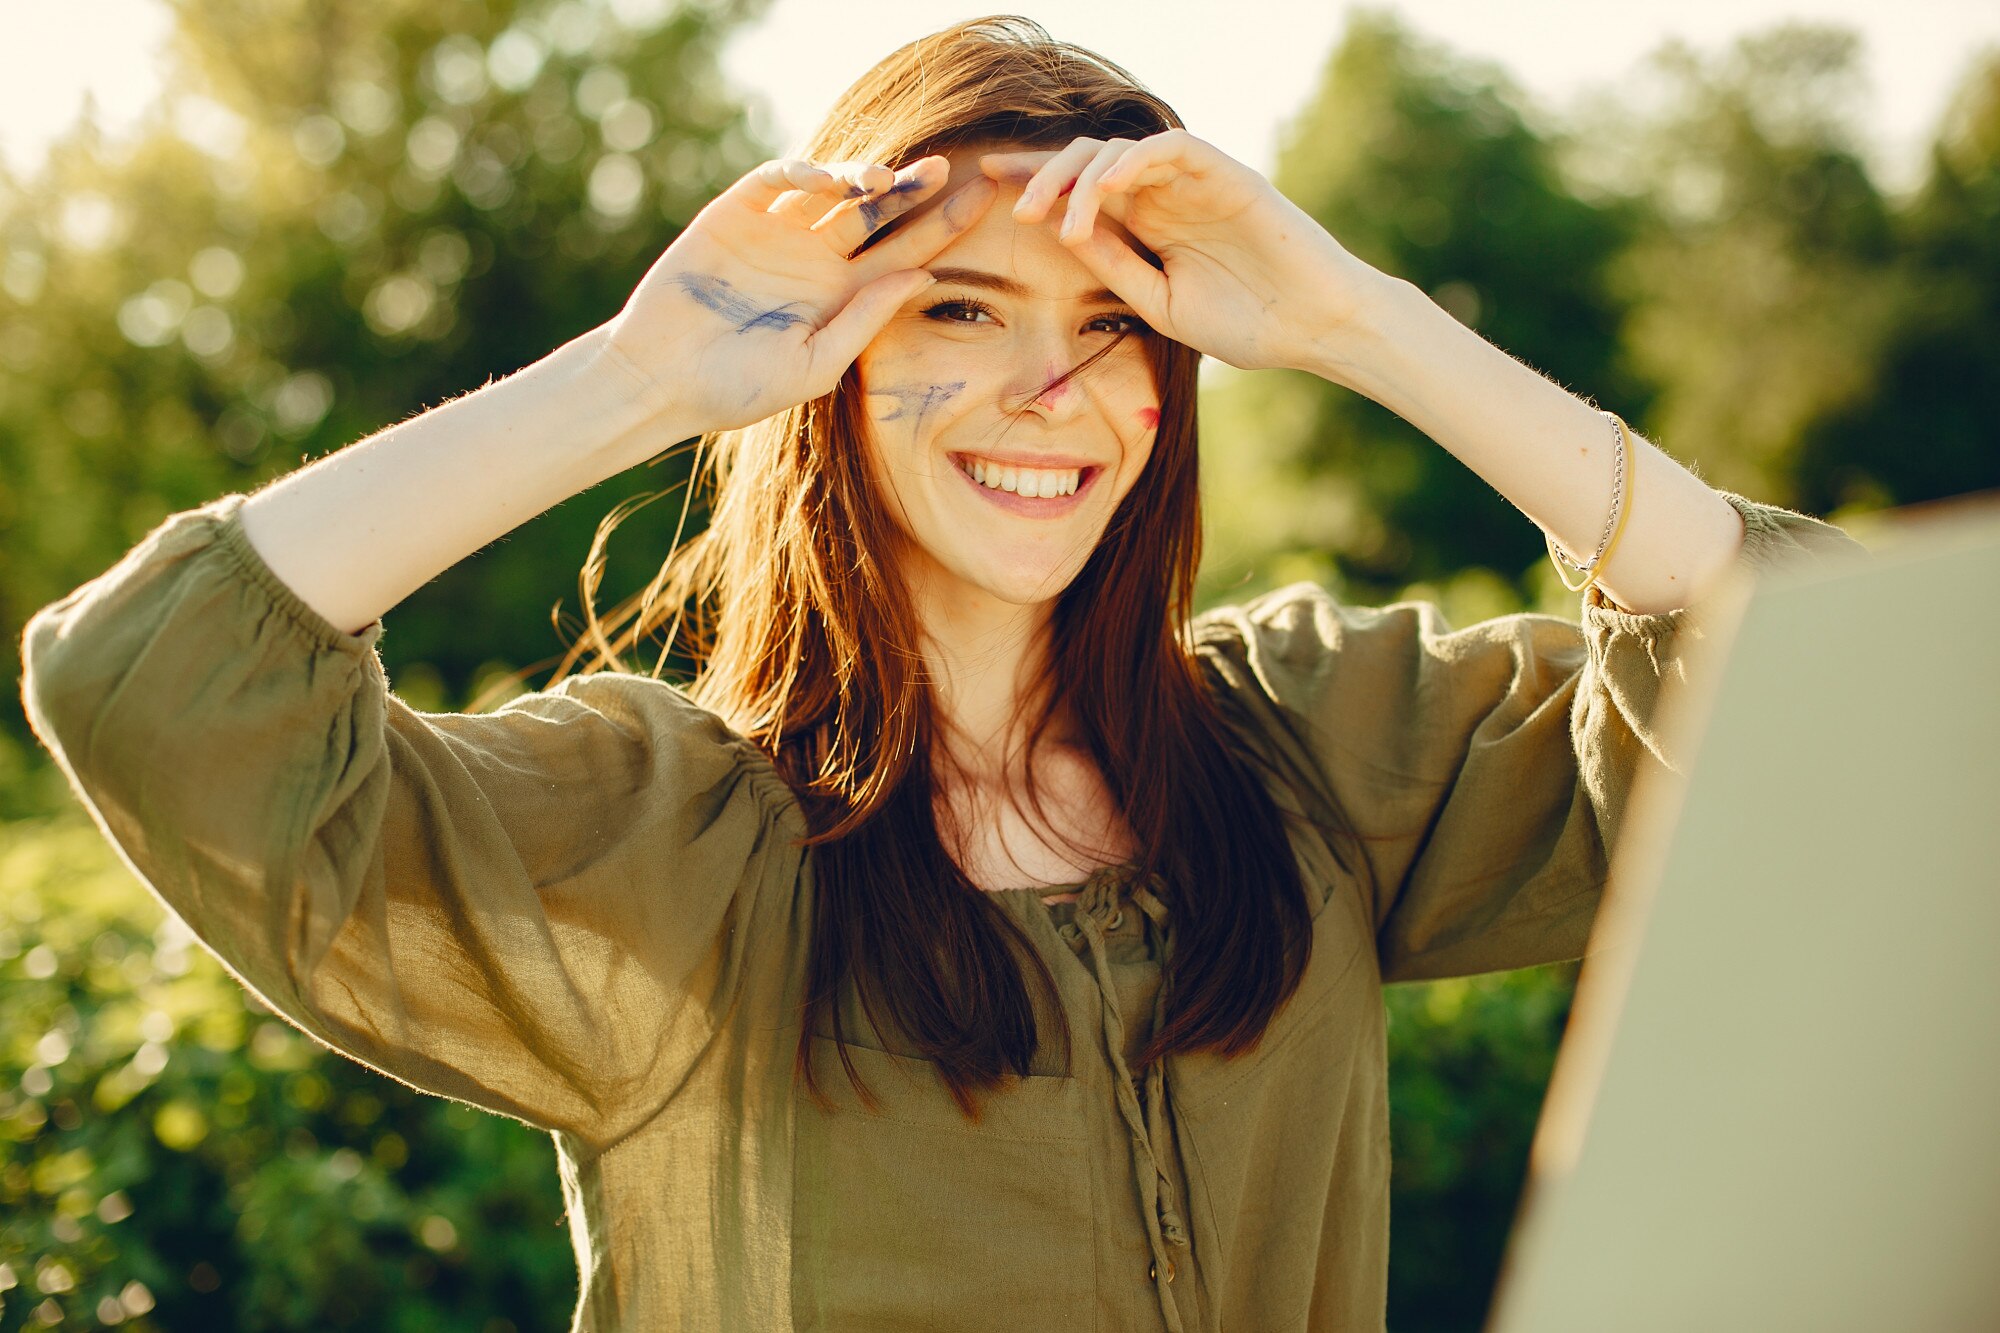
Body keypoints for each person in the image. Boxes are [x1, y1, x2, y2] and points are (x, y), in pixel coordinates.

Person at [19, 15, 1863, 1333]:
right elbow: (152, 677)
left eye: (1112, 323)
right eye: (960, 308)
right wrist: (645, 378)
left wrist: (1358, 322)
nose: (1050, 392)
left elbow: (1835, 685)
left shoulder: (1311, 748)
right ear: (828, 354)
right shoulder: (668, 843)